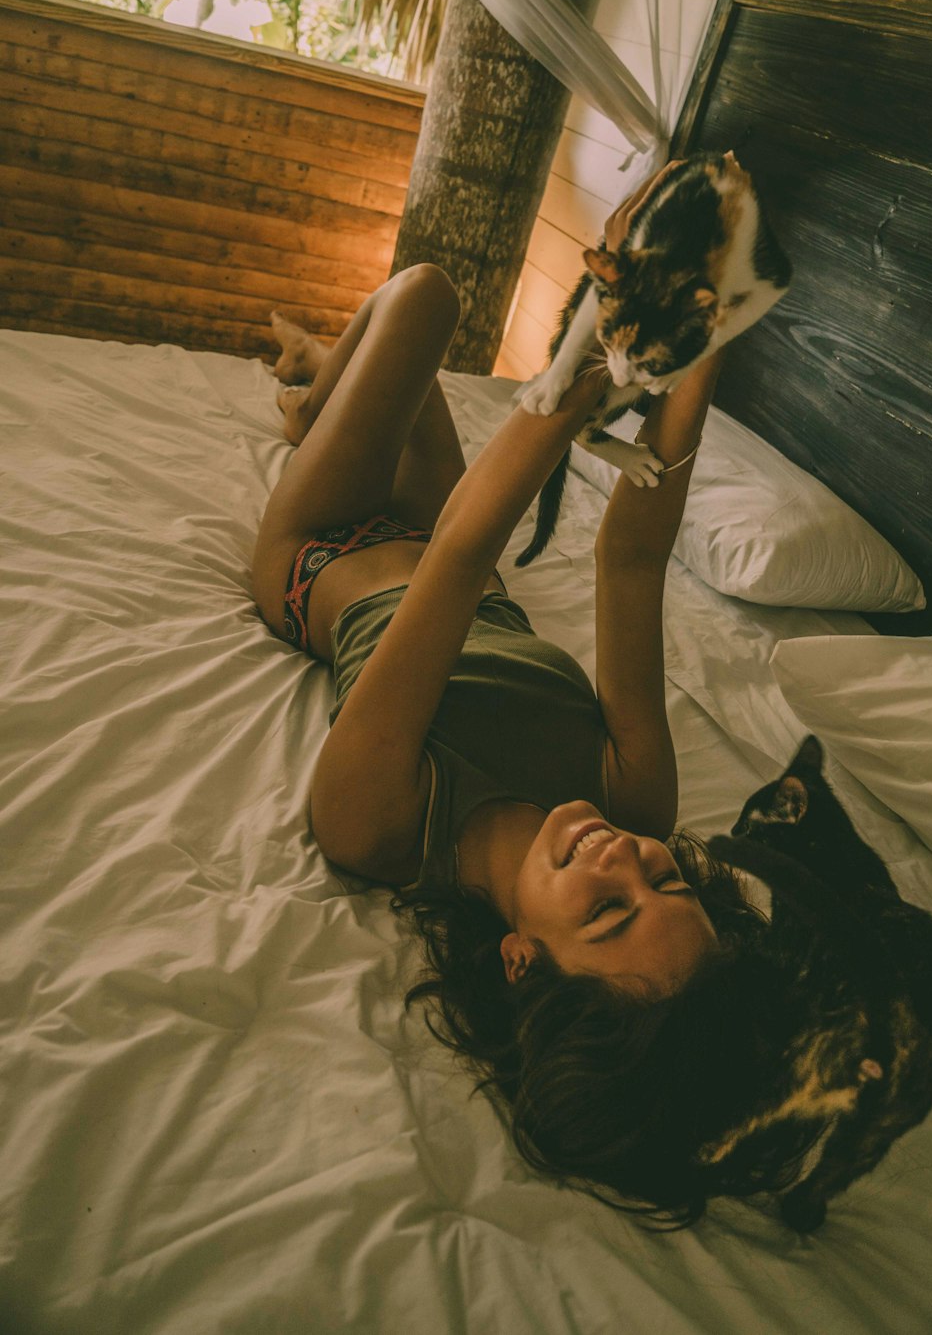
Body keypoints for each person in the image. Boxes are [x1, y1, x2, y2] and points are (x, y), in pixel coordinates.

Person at [251, 173, 768, 1229]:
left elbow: (458, 559)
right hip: (443, 529)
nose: (627, 858)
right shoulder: (634, 803)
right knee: (413, 339)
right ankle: (315, 388)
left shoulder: (377, 830)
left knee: (425, 298)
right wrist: (699, 348)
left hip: (328, 551)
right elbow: (630, 564)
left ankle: (318, 397)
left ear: (522, 963)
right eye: (668, 882)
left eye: (611, 913)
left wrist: (581, 366)